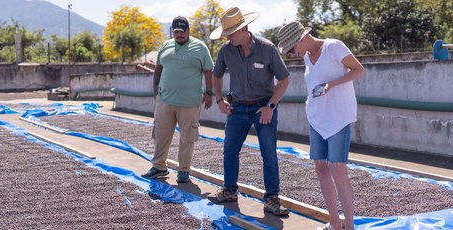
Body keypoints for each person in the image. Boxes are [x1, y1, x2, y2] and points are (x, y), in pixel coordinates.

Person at [276, 21, 365, 230]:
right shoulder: (307, 56)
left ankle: (349, 226)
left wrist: (331, 85)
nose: (291, 53)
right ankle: (335, 222)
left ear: (301, 39)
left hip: (338, 117)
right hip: (317, 118)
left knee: (338, 169)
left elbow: (359, 70)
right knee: (321, 168)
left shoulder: (334, 46)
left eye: (291, 48)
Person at [207, 7, 290, 216]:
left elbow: (284, 79)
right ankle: (229, 190)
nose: (229, 37)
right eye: (226, 34)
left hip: (263, 106)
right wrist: (219, 99)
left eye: (232, 33)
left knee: (268, 152)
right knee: (229, 150)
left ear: (244, 28)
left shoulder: (267, 48)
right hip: (237, 107)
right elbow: (216, 76)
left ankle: (271, 198)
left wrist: (270, 106)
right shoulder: (225, 51)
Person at [141, 16, 214, 183]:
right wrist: (155, 89)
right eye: (176, 31)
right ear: (172, 32)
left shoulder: (200, 47)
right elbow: (159, 68)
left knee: (187, 138)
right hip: (165, 100)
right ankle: (159, 166)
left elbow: (208, 70)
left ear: (188, 30)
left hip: (189, 102)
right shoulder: (166, 45)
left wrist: (209, 93)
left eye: (182, 31)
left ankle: (183, 171)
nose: (179, 34)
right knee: (160, 134)